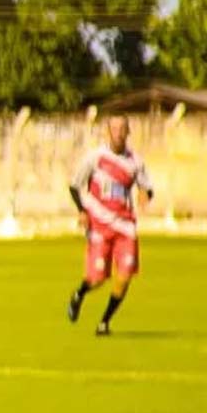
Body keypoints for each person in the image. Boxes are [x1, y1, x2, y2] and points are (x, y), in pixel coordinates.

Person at [66, 115, 153, 336]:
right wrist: (82, 211)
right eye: (114, 128)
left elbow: (147, 187)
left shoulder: (135, 162)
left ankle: (104, 323)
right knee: (97, 278)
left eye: (122, 128)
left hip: (125, 227)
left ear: (128, 132)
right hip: (99, 225)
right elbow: (75, 186)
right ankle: (79, 294)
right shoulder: (95, 158)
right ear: (108, 131)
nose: (118, 132)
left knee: (124, 278)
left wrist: (145, 194)